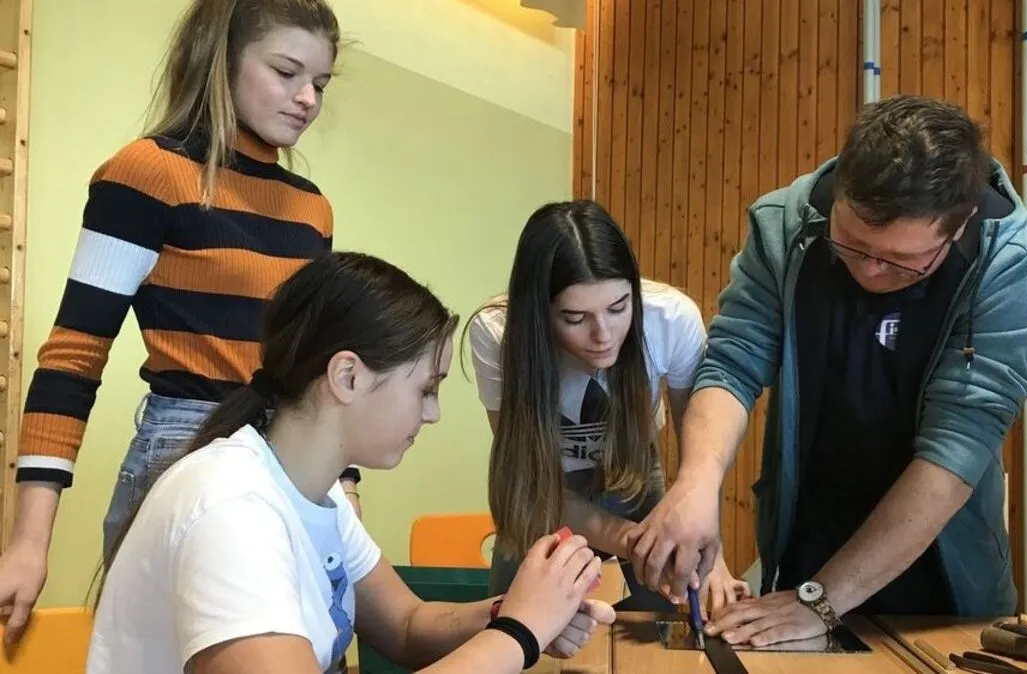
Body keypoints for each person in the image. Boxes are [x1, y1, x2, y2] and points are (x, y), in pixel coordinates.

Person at [625, 95, 1027, 645]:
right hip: (806, 547)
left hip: (947, 579)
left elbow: (958, 448)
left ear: (960, 222)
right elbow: (733, 360)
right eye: (851, 243)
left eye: (900, 260)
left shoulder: (1007, 262)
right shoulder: (785, 222)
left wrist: (825, 599)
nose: (871, 271)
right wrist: (696, 484)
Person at [0, 0, 362, 643]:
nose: (307, 98)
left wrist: (344, 485)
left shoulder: (313, 210)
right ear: (221, 62)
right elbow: (73, 358)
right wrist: (29, 543)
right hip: (187, 444)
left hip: (297, 453)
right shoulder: (148, 174)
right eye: (286, 72)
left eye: (321, 83)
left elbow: (320, 363)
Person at [87, 251, 616, 674]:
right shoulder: (232, 508)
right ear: (347, 377)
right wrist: (520, 632)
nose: (432, 414)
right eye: (426, 390)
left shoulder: (318, 492)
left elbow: (407, 626)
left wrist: (517, 610)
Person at [466, 199, 750, 615]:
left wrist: (712, 557)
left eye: (618, 308)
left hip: (634, 478)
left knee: (673, 615)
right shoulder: (496, 333)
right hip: (542, 489)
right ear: (538, 313)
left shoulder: (669, 318)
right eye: (575, 318)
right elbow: (533, 481)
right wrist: (633, 542)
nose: (603, 334)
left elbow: (700, 467)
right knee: (514, 625)